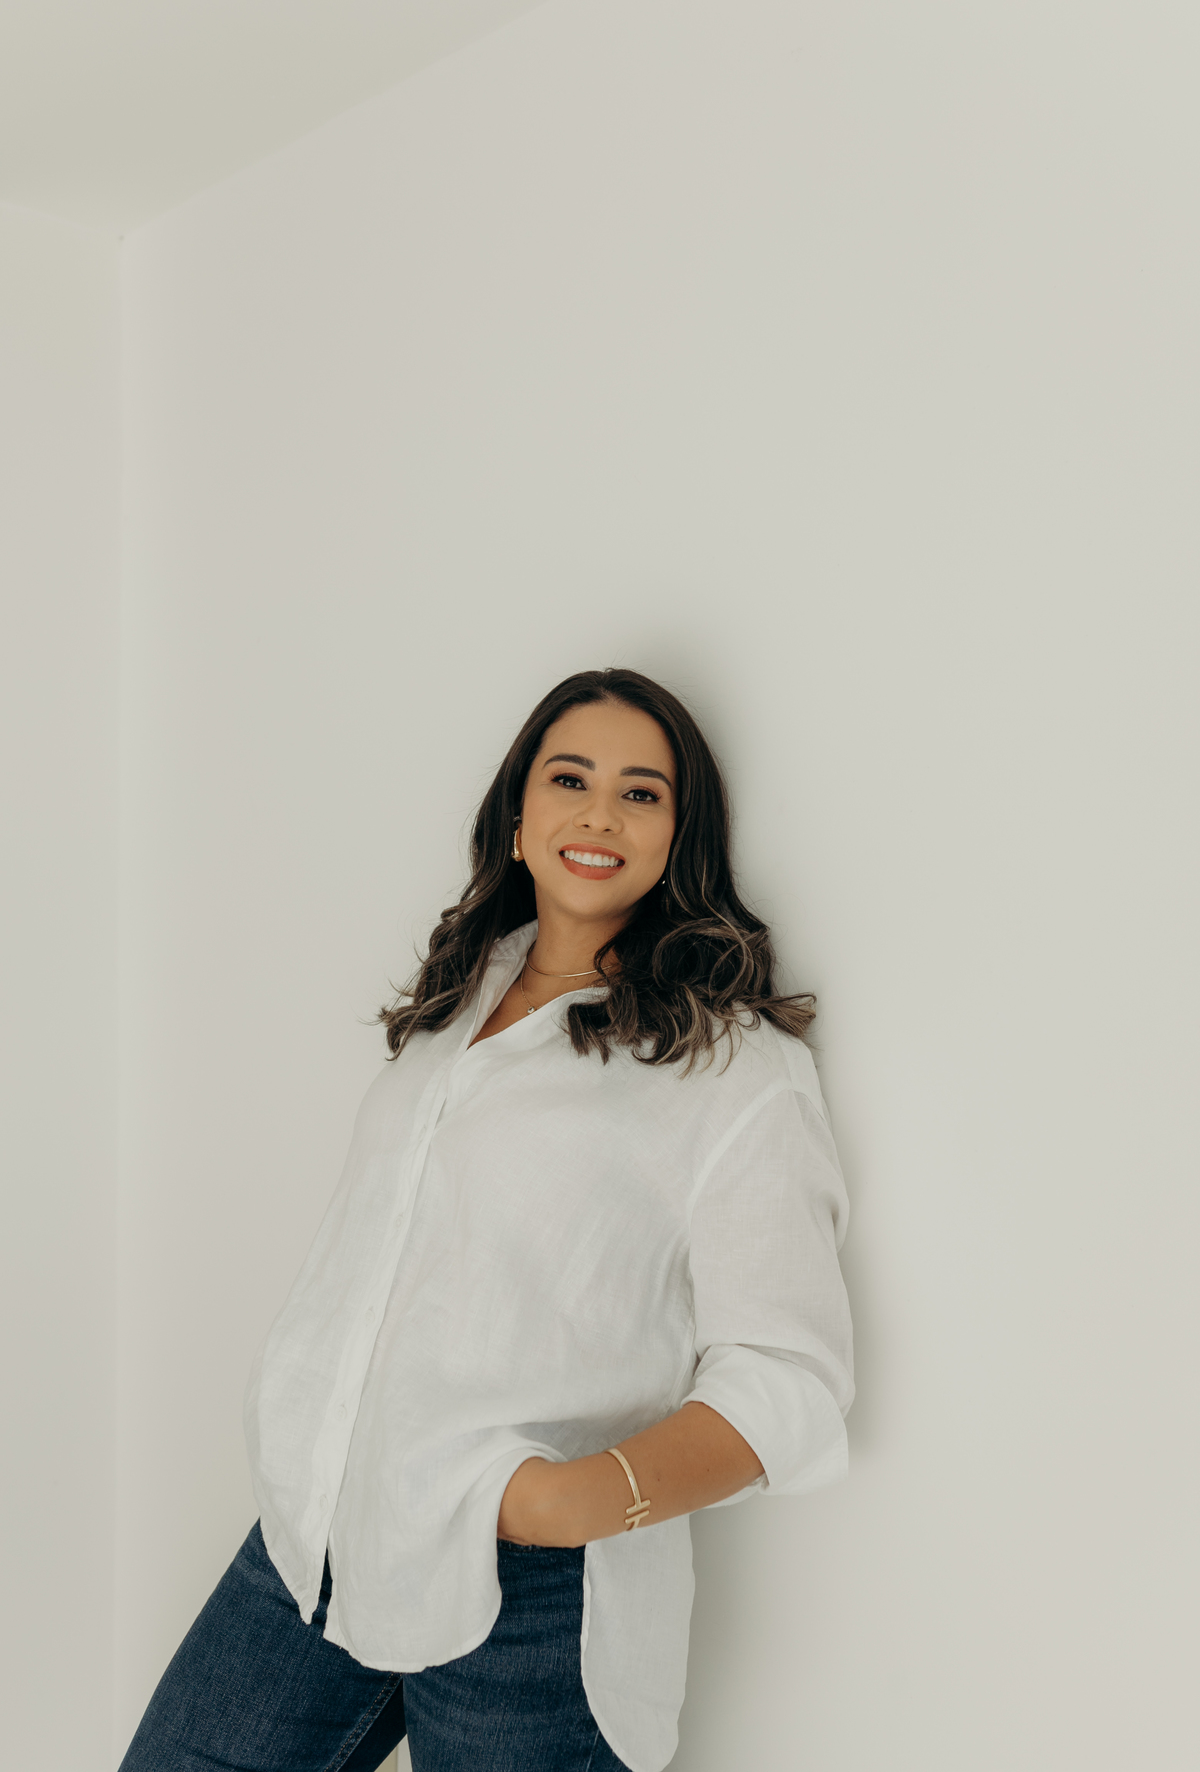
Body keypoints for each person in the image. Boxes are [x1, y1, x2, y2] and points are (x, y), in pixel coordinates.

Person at [119, 667, 854, 1772]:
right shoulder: (454, 1001)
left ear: (681, 838)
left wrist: (566, 1503)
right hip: (314, 1536)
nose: (600, 814)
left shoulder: (731, 1065)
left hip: (532, 1599)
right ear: (518, 816)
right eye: (570, 779)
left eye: (641, 793)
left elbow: (789, 1376)